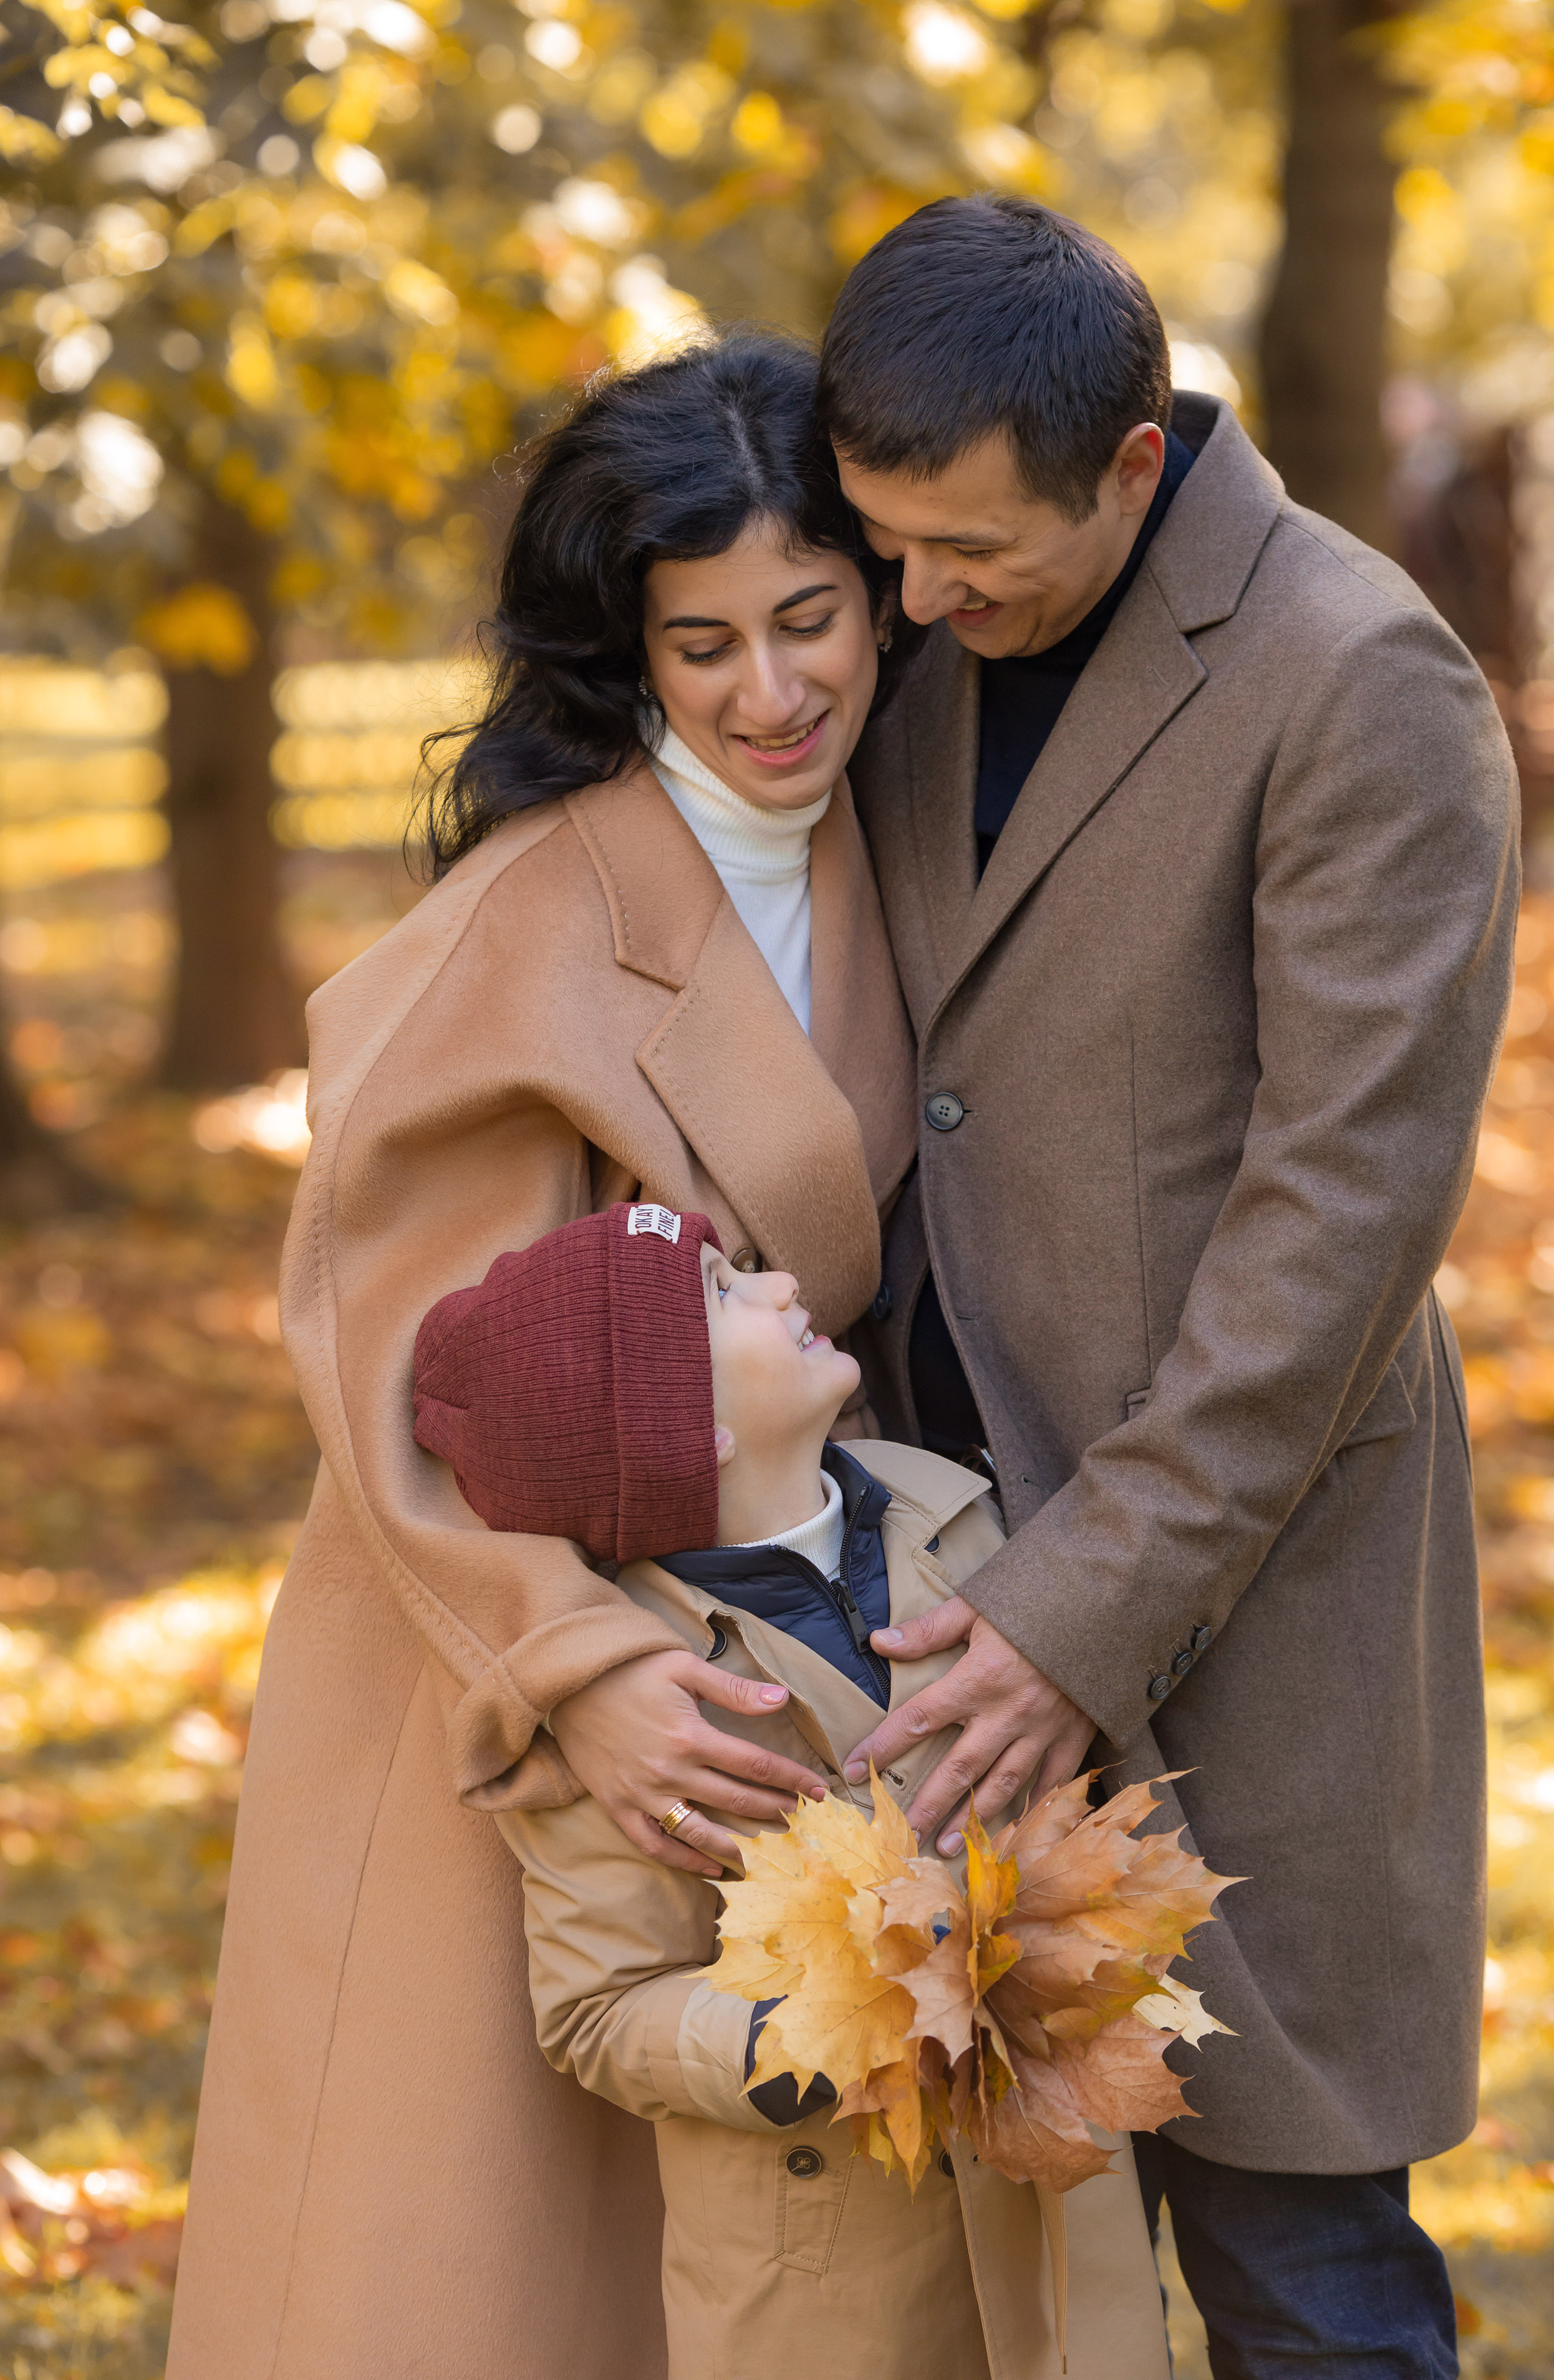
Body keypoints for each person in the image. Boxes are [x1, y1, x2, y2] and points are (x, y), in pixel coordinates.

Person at [169, 336, 1081, 2379]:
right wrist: (581, 1674)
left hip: (784, 1590)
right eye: (703, 642)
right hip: (510, 1640)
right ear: (625, 648)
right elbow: (396, 1356)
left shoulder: (890, 834)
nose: (772, 691)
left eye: (810, 618)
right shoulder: (530, 924)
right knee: (492, 2260)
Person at [813, 196, 1519, 2377]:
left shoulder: (1362, 675)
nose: (908, 603)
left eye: (965, 555)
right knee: (1014, 2286)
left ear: (1132, 464)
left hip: (1247, 1592)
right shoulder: (932, 624)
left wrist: (1077, 1609)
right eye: (888, 542)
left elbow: (1340, 1217)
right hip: (932, 1578)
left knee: (1300, 2268)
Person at [408, 1196, 1174, 2380]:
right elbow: (599, 2009)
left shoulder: (973, 1521)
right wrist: (816, 2034)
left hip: (1051, 2197)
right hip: (825, 2261)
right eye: (725, 1295)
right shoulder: (627, 1713)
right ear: (685, 1432)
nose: (776, 1286)